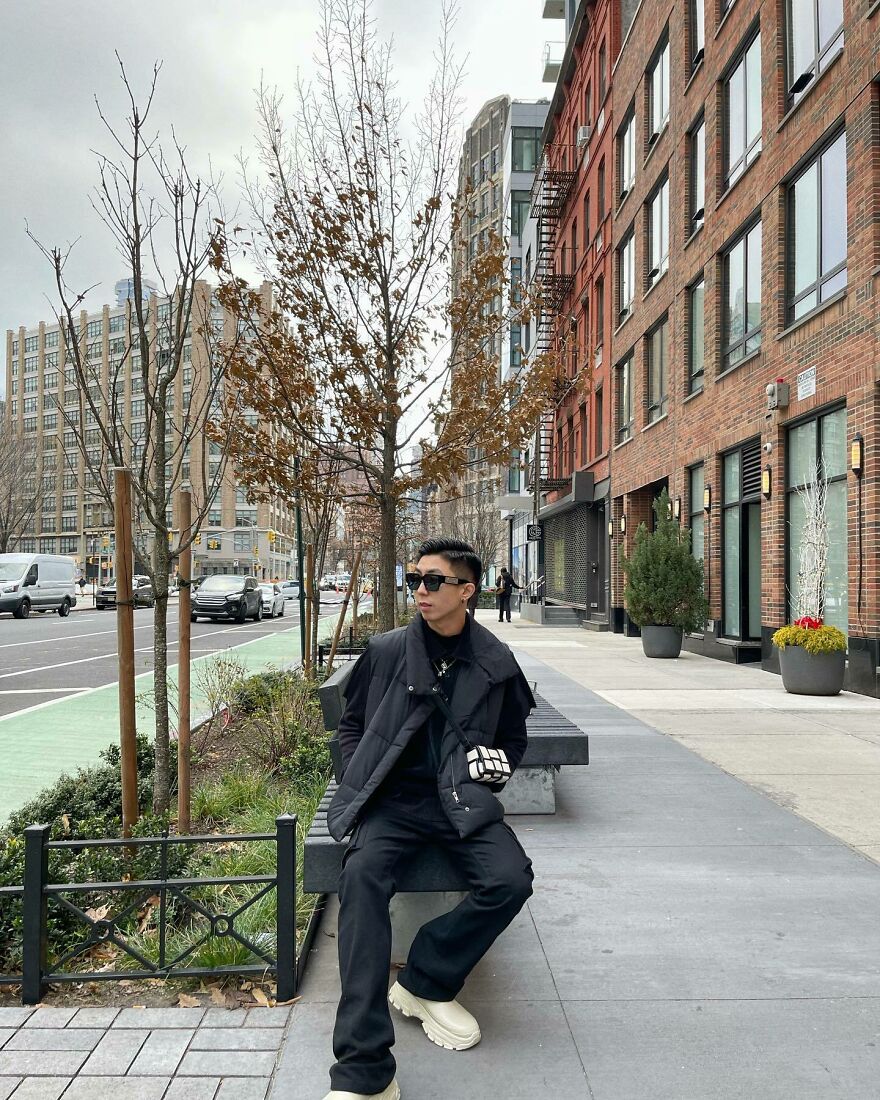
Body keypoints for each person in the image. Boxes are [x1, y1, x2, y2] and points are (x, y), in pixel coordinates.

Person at [323, 537, 535, 1100]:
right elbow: (351, 725)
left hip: (460, 801)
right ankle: (365, 1071)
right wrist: (361, 776)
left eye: (434, 581)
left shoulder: (495, 662)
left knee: (511, 879)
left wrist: (494, 766)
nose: (420, 589)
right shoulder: (388, 651)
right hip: (392, 803)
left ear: (467, 591)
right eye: (416, 578)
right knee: (361, 878)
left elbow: (513, 738)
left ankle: (426, 977)